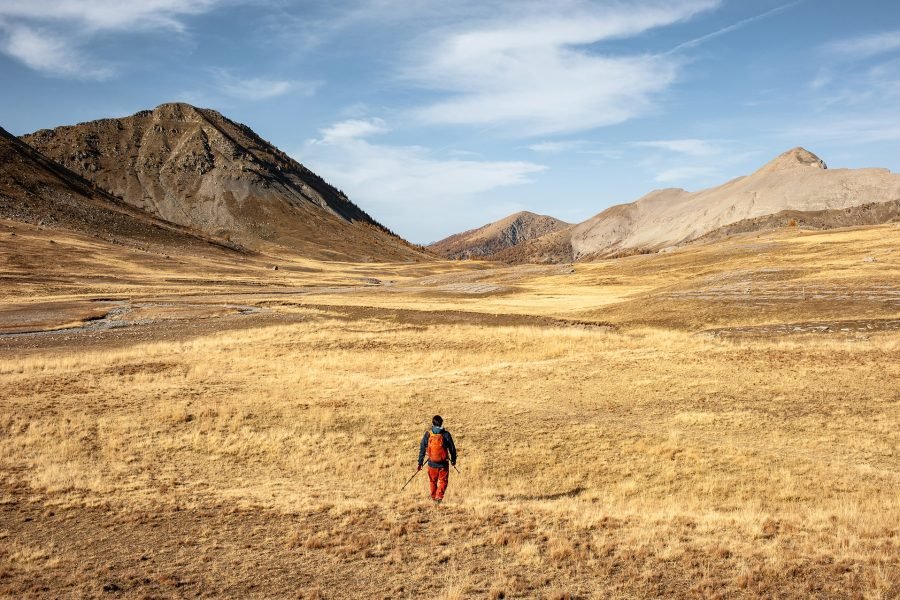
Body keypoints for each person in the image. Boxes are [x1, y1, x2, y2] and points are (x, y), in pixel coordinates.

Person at [417, 415, 457, 504]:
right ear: (441, 423)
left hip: (432, 463)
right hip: (443, 464)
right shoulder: (446, 434)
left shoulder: (428, 434)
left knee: (432, 481)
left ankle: (434, 498)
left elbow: (422, 448)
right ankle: (439, 497)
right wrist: (453, 460)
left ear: (433, 423)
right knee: (443, 481)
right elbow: (452, 448)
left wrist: (420, 463)